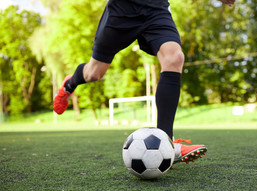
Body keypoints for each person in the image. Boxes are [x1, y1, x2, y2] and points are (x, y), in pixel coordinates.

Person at [54, 0, 235, 165]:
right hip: (122, 9)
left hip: (156, 9)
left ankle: (167, 143)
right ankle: (69, 84)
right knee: (94, 73)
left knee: (174, 57)